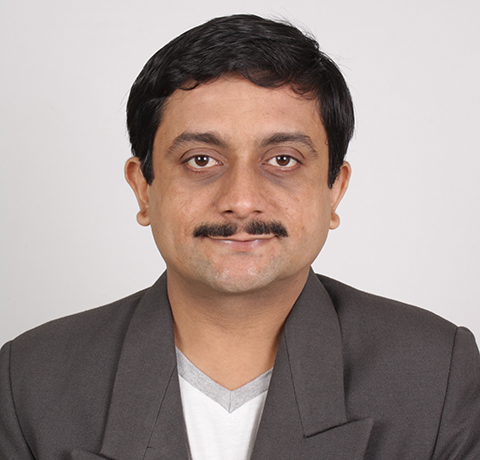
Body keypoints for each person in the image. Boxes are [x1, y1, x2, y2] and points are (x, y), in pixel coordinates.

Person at [1, 14, 479, 460]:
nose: (242, 201)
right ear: (143, 188)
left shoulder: (437, 375)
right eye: (201, 160)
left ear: (334, 189)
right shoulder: (28, 381)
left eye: (283, 160)